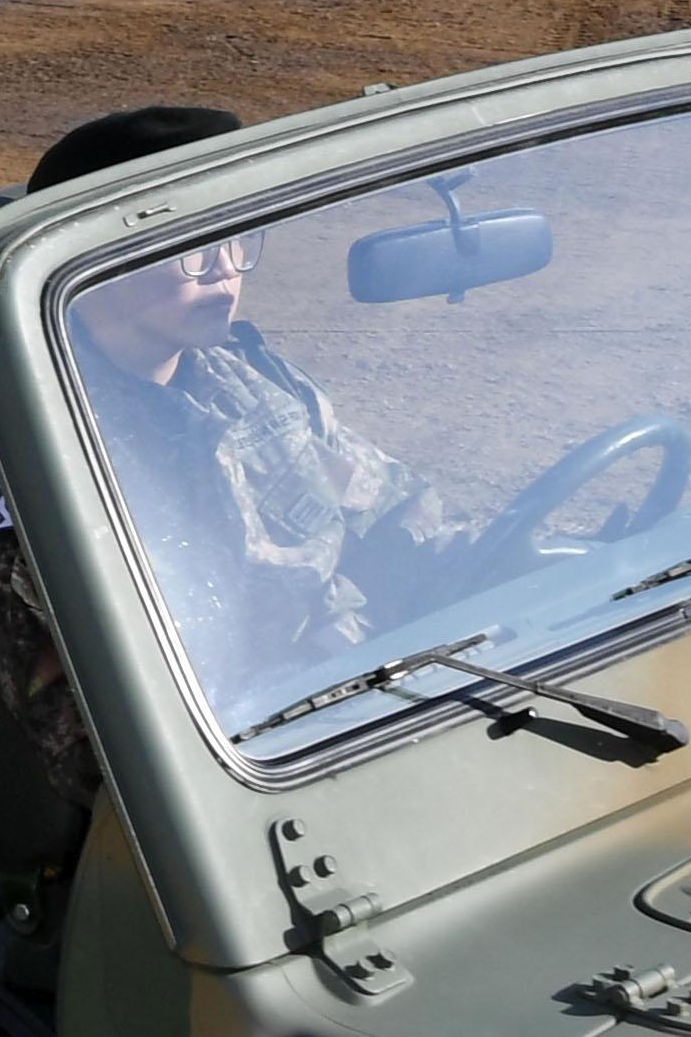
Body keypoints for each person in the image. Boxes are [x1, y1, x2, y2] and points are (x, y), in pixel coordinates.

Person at [43, 107, 460, 702]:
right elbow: (87, 720)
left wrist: (526, 561)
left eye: (235, 237)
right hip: (249, 756)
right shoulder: (41, 450)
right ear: (95, 262)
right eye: (192, 248)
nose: (228, 270)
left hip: (364, 699)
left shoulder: (256, 387)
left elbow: (393, 512)